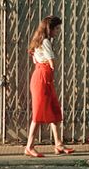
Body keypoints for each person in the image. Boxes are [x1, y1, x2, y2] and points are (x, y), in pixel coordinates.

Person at [24, 15, 74, 157]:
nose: (58, 31)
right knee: (39, 114)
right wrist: (51, 69)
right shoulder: (45, 41)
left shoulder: (37, 41)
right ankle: (29, 146)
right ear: (50, 29)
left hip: (40, 76)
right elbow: (52, 62)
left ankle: (58, 144)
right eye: (56, 29)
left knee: (54, 111)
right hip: (43, 77)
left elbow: (35, 59)